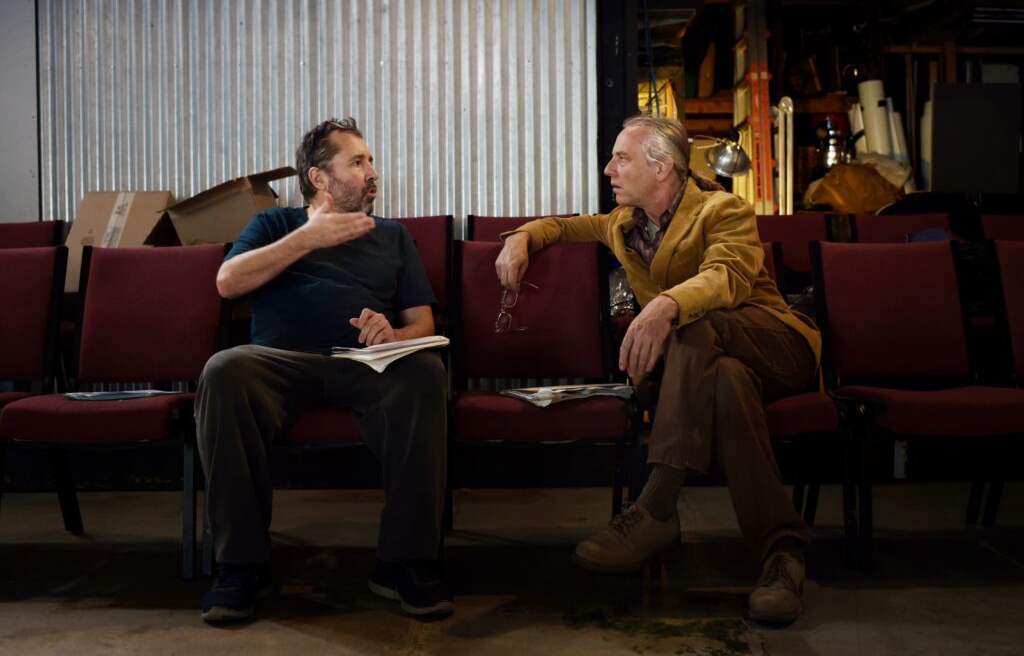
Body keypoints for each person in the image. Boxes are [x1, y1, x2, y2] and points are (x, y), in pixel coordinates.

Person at [495, 115, 822, 624]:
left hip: (774, 345)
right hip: (722, 368)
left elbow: (727, 276)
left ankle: (658, 504)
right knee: (728, 382)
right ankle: (783, 554)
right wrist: (520, 239)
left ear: (663, 168)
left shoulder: (723, 208)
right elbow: (563, 225)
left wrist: (665, 305)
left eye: (621, 158)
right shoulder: (623, 225)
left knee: (694, 325)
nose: (609, 169)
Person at [196, 117, 452, 622]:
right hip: (279, 362)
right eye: (357, 162)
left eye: (371, 160)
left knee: (425, 373)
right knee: (225, 369)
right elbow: (228, 281)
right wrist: (307, 239)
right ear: (318, 177)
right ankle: (241, 565)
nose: (372, 172)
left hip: (364, 364)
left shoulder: (394, 237)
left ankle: (404, 562)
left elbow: (422, 321)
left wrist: (392, 335)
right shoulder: (274, 225)